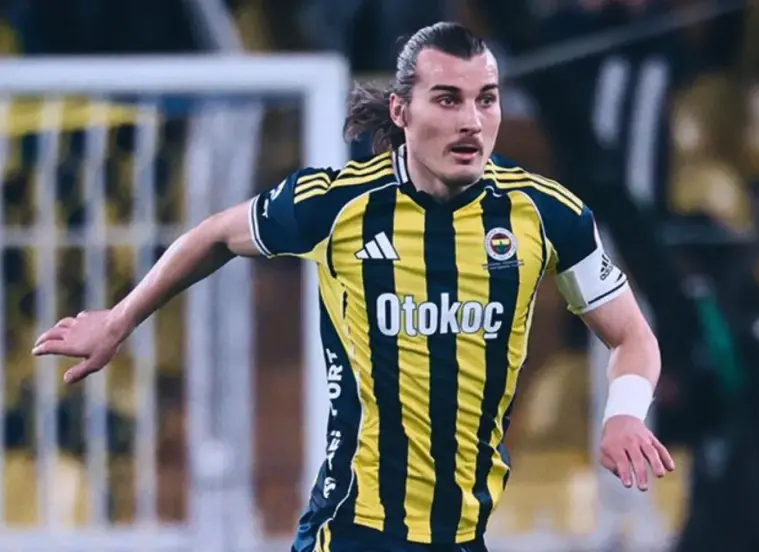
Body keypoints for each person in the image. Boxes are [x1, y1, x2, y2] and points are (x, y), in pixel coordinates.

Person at [32, 21, 674, 552]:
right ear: (401, 110)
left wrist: (624, 413)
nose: (472, 122)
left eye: (487, 99)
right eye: (448, 99)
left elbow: (633, 337)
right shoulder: (339, 204)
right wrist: (119, 318)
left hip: (462, 537)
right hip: (352, 532)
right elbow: (214, 235)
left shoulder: (546, 214)